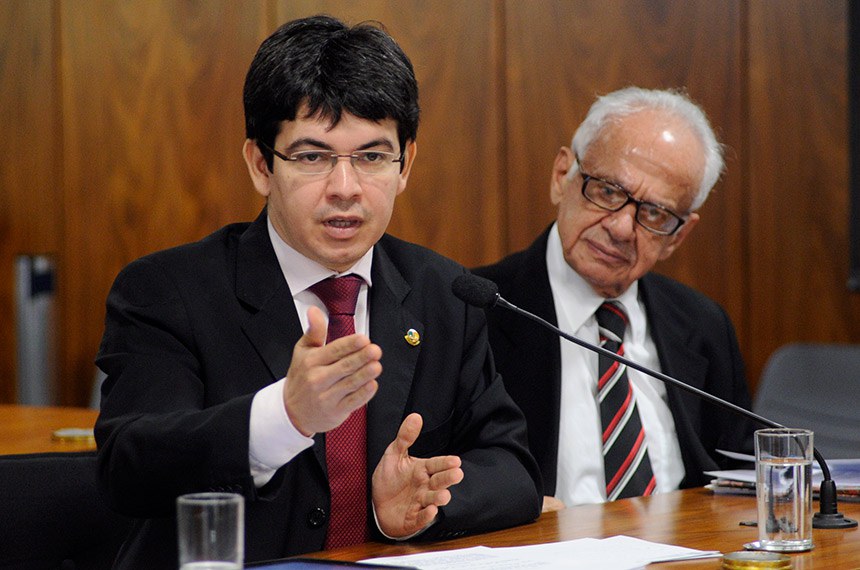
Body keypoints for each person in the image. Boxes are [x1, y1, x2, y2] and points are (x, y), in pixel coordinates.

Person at [95, 15, 541, 568]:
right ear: (261, 165)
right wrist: (284, 416)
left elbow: (513, 469)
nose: (345, 189)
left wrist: (420, 505)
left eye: (372, 157)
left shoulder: (445, 294)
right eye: (312, 157)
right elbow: (128, 469)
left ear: (406, 165)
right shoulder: (168, 290)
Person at [474, 87, 755, 511]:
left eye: (655, 213)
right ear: (562, 176)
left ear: (678, 236)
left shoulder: (703, 325)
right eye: (607, 191)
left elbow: (741, 484)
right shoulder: (478, 311)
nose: (622, 228)